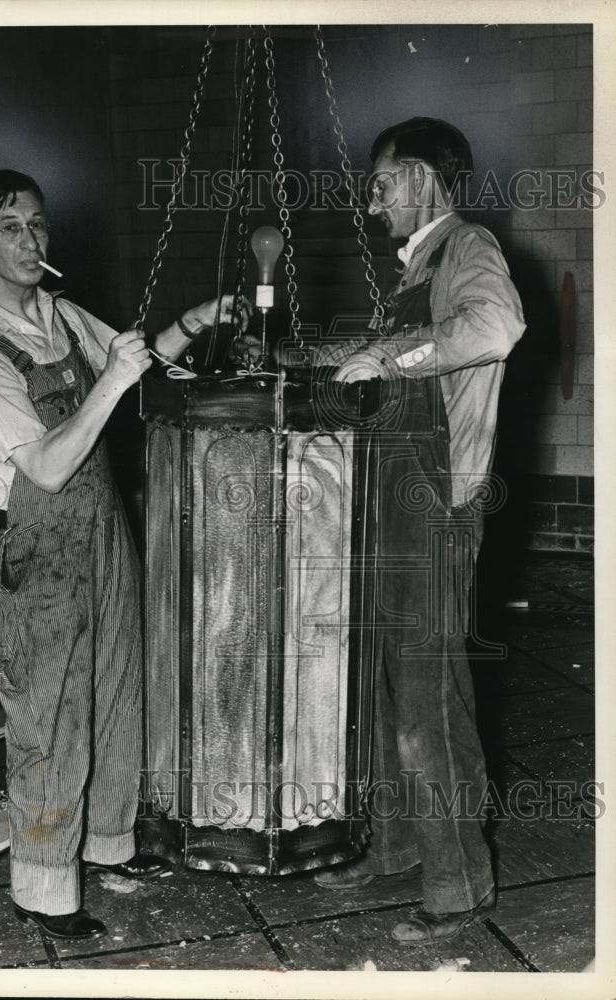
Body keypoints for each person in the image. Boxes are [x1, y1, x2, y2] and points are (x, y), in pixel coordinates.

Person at [0, 169, 250, 942]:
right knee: (50, 716)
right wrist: (112, 381)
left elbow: (139, 360)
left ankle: (110, 844)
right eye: (10, 228)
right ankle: (42, 889)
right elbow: (46, 466)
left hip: (103, 531)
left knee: (116, 691)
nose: (30, 241)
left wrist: (194, 321)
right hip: (36, 553)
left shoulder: (61, 313)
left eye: (38, 224)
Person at [312, 118, 526, 945]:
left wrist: (390, 359)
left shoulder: (469, 246)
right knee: (382, 684)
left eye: (381, 184)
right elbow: (412, 349)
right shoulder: (419, 266)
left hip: (436, 506)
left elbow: (495, 328)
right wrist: (349, 355)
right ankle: (397, 844)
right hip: (394, 500)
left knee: (429, 697)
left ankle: (458, 880)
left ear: (424, 179)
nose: (372, 204)